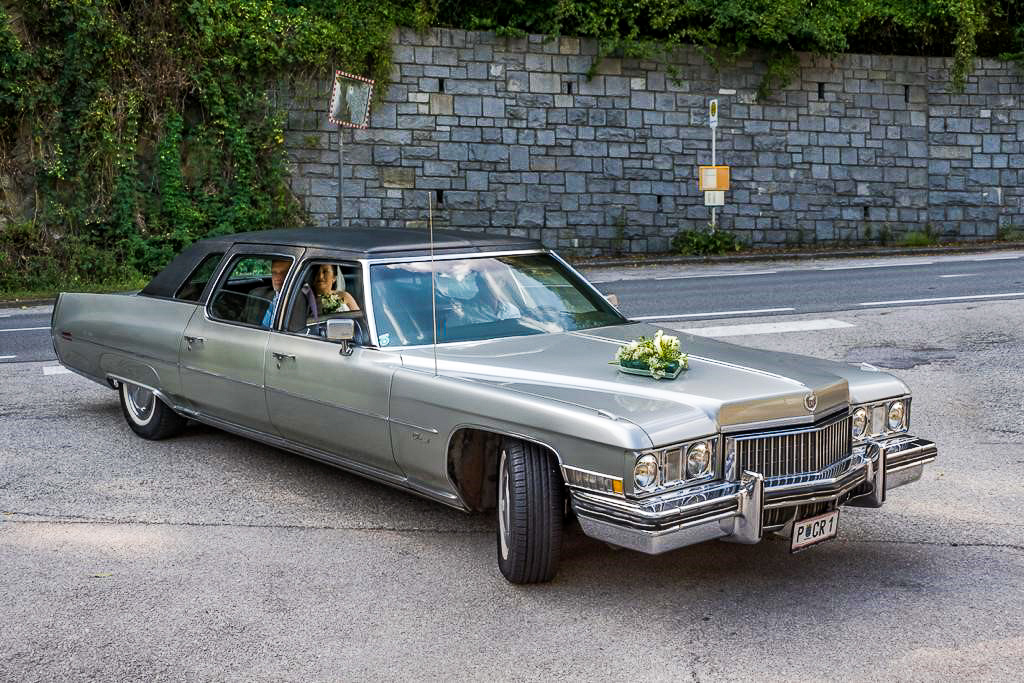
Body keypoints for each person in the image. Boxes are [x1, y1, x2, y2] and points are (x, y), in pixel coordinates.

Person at [244, 258, 291, 328]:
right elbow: (242, 321)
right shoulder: (256, 295)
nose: (278, 278)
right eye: (274, 272)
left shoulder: (300, 301)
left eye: (283, 273)